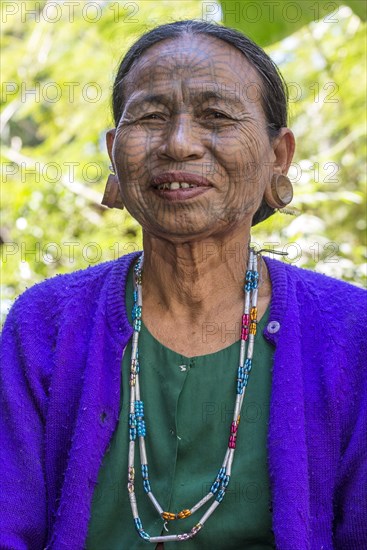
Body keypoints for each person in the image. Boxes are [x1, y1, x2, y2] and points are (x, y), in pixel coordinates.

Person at [1, 19, 366, 550]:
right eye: (150, 117)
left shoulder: (350, 333)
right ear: (114, 154)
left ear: (278, 157)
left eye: (216, 116)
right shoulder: (45, 326)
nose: (178, 144)